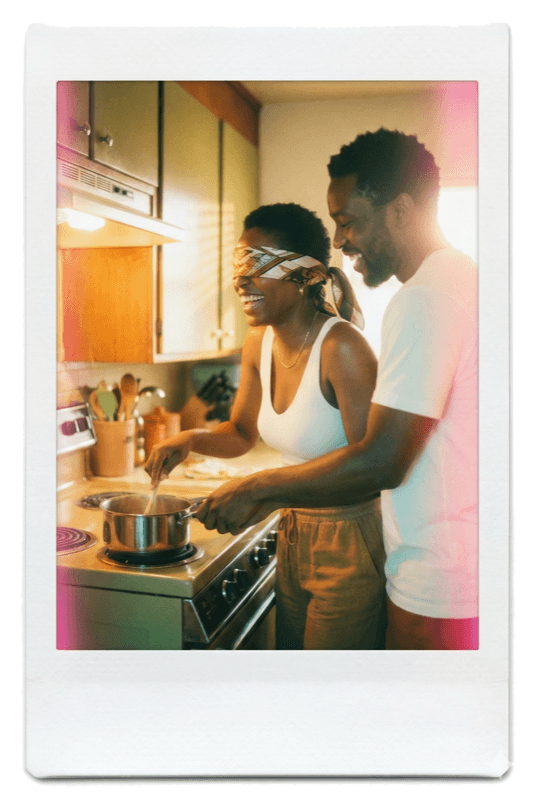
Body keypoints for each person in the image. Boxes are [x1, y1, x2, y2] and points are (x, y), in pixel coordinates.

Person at [194, 129, 478, 651]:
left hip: (442, 577)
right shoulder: (460, 280)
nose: (341, 242)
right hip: (453, 564)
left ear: (400, 210)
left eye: (348, 222)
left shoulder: (425, 301)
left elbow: (380, 461)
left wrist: (256, 487)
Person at [145, 202, 386, 650]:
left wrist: (260, 487)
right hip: (291, 531)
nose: (239, 280)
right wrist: (189, 438)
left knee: (329, 697)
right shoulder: (258, 344)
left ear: (304, 275)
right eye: (237, 265)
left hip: (348, 543)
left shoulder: (343, 348)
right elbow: (240, 433)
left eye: (255, 264)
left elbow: (370, 473)